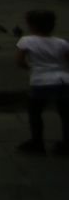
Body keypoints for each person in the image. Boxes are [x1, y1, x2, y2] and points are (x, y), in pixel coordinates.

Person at [16, 9, 69, 154]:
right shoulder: (61, 42)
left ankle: (37, 142)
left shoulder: (26, 40)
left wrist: (32, 68)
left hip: (40, 80)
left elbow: (19, 61)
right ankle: (66, 144)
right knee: (65, 114)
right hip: (63, 80)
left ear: (31, 25)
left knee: (35, 112)